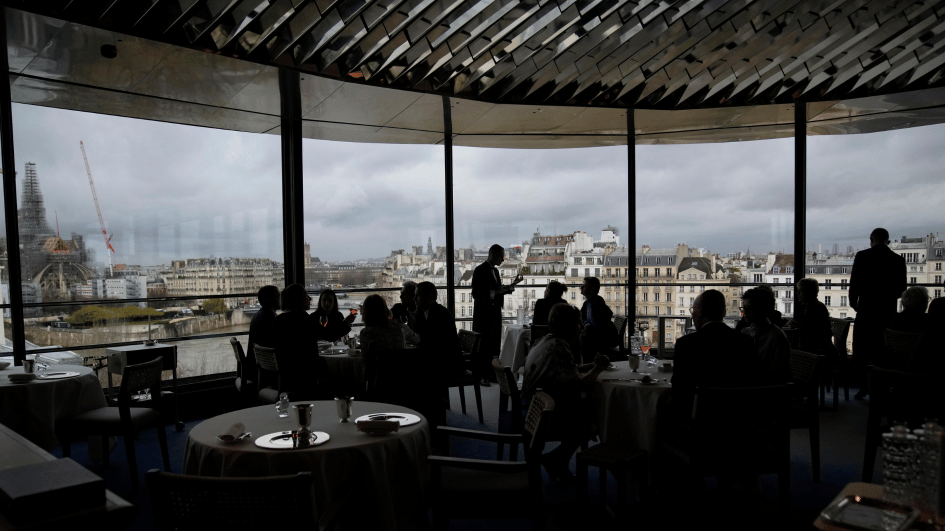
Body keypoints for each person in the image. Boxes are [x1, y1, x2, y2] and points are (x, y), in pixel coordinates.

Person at [522, 303, 609, 482]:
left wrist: (591, 365)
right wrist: (598, 369)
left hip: (532, 404)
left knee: (585, 410)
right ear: (569, 327)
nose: (581, 328)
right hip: (543, 414)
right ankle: (557, 460)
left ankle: (558, 461)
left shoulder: (546, 340)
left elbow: (565, 368)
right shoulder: (560, 347)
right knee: (591, 415)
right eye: (578, 324)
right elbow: (579, 384)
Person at [671, 290, 757, 423]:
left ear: (700, 311)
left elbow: (679, 390)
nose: (692, 314)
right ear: (723, 313)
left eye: (693, 310)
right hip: (738, 420)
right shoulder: (746, 342)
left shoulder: (686, 344)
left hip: (699, 421)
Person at [849, 228, 907, 399]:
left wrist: (855, 304)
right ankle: (881, 386)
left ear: (871, 240)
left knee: (864, 348)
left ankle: (865, 385)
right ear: (888, 241)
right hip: (886, 312)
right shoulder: (898, 260)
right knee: (882, 350)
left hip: (866, 310)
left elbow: (854, 283)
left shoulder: (862, 256)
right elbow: (901, 289)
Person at [472, 244, 523, 386]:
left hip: (494, 312)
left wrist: (513, 284)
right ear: (493, 255)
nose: (503, 259)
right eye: (501, 256)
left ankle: (491, 374)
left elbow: (498, 290)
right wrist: (496, 293)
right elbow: (476, 293)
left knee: (493, 343)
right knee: (484, 344)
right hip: (484, 314)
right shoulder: (479, 270)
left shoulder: (495, 271)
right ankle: (483, 375)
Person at [271, 284, 326, 398]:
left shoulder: (278, 319)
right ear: (299, 300)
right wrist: (347, 322)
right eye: (306, 296)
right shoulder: (304, 318)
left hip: (283, 379)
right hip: (303, 380)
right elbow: (329, 335)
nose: (309, 299)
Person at [359, 294, 420, 393]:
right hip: (403, 382)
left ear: (366, 313)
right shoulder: (399, 326)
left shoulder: (366, 333)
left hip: (381, 385)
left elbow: (367, 364)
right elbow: (417, 339)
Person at [413, 281, 464, 379]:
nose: (414, 299)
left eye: (418, 296)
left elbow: (434, 343)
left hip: (447, 364)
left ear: (429, 297)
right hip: (441, 360)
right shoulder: (425, 312)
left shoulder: (440, 315)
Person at [740, 287, 791, 383]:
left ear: (763, 309)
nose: (744, 312)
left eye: (749, 308)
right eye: (744, 308)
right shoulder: (776, 336)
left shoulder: (776, 338)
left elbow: (776, 376)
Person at [787, 278, 835, 359]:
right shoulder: (812, 306)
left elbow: (814, 329)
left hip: (815, 350)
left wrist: (795, 324)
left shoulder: (815, 308)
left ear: (809, 292)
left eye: (801, 291)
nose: (797, 293)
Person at [579, 277, 618, 363]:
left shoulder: (597, 301)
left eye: (584, 286)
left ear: (592, 289)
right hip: (596, 336)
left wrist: (588, 326)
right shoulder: (588, 302)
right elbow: (581, 317)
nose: (581, 287)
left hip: (601, 339)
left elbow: (606, 316)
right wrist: (586, 324)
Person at [246, 285, 280, 381]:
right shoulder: (269, 319)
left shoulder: (259, 316)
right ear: (268, 300)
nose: (280, 298)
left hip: (255, 370)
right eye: (278, 296)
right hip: (266, 374)